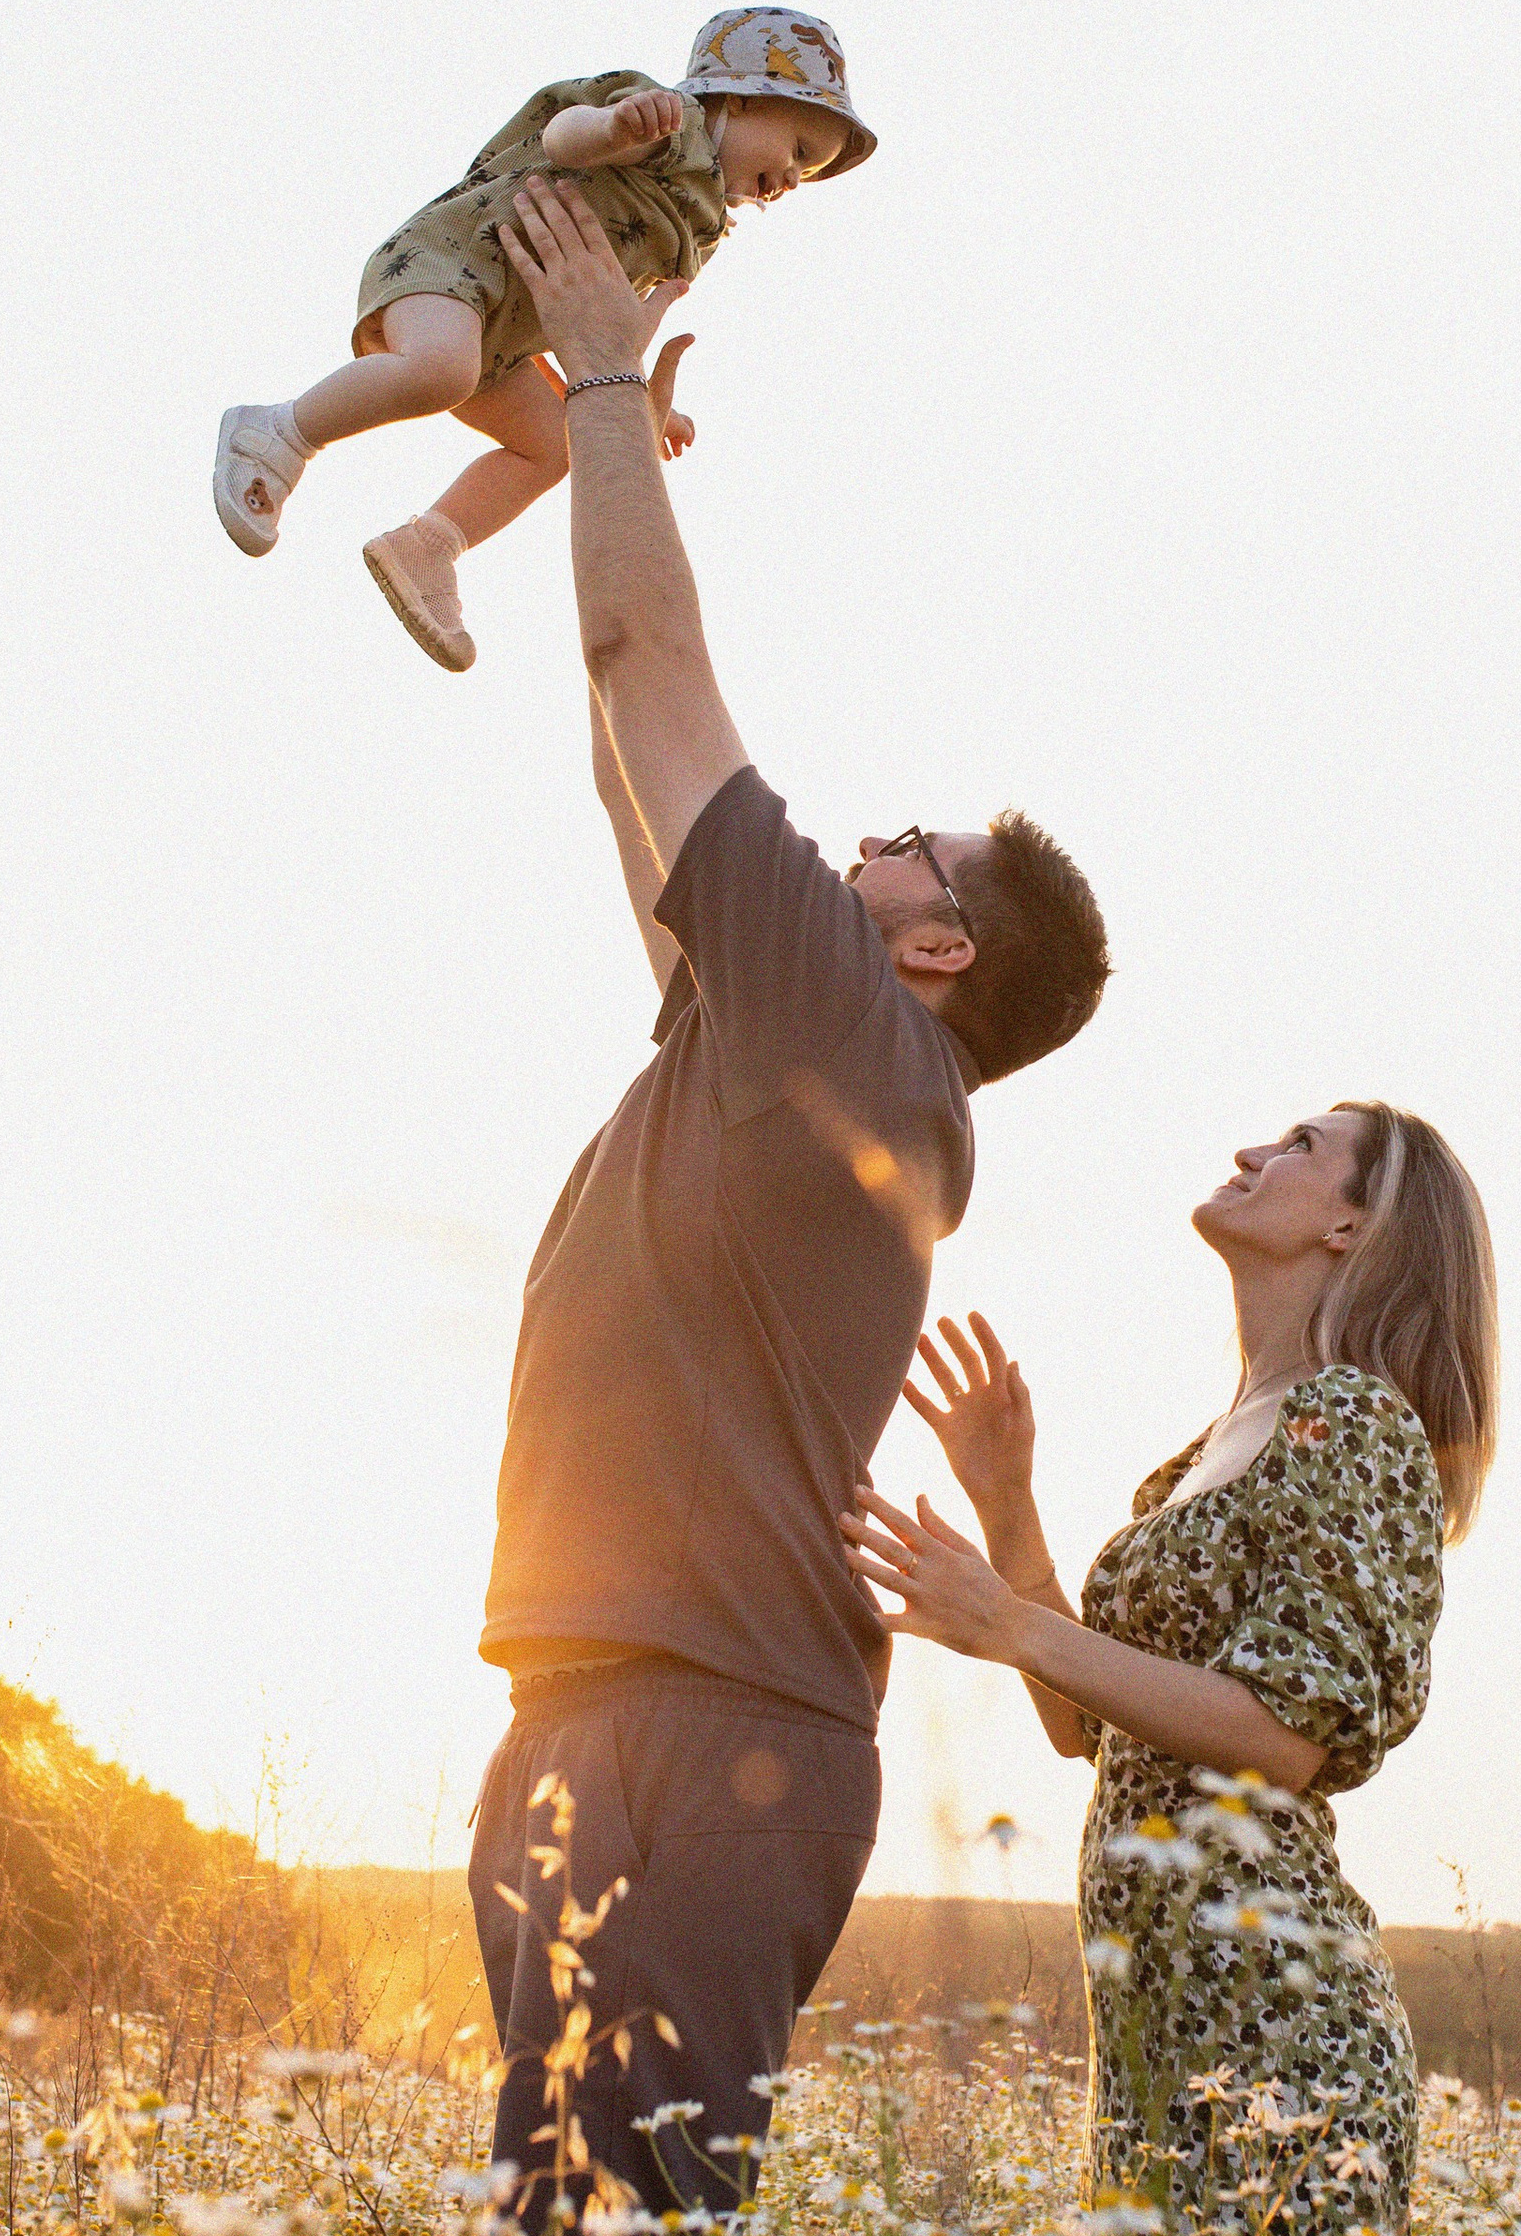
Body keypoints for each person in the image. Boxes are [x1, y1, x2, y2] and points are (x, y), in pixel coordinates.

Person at [463, 174, 1111, 2222]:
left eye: (910, 845)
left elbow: (643, 655)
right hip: (585, 1684)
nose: (865, 833)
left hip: (718, 1728)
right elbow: (616, 752)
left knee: (626, 2204)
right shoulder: (763, 1033)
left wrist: (586, 378)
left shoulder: (850, 1035)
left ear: (932, 952)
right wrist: (618, 446)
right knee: (551, 2199)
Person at [844, 1103, 1499, 2233]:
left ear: (1353, 1224)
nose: (1251, 1152)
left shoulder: (1348, 1424)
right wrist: (1007, 1503)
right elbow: (1083, 1727)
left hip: (1278, 2044)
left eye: (1300, 1145)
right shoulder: (1207, 1451)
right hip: (1162, 2040)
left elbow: (1282, 1736)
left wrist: (1008, 1621)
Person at [212, 6, 874, 672]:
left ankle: (429, 547)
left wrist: (641, 399)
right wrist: (613, 128)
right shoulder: (673, 127)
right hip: (457, 260)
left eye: (809, 173)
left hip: (505, 335)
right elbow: (564, 139)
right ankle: (275, 433)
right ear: (737, 97)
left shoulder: (694, 228)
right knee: (443, 369)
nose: (794, 178)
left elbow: (599, 322)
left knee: (560, 445)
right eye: (797, 151)